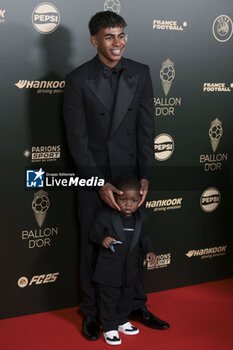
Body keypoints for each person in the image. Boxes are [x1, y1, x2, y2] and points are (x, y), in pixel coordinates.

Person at [63, 10, 170, 341]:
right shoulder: (78, 79)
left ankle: (135, 304)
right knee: (94, 247)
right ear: (94, 40)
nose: (117, 42)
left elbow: (146, 130)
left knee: (134, 246)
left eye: (121, 35)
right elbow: (77, 141)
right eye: (109, 36)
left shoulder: (141, 73)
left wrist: (145, 178)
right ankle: (93, 313)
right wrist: (97, 183)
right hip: (93, 178)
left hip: (130, 180)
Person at [89, 176, 157, 345]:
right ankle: (109, 327)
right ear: (115, 198)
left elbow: (144, 238)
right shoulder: (105, 215)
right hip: (109, 270)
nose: (128, 204)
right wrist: (102, 239)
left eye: (134, 201)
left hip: (131, 270)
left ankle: (121, 320)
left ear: (140, 200)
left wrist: (150, 251)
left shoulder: (141, 218)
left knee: (126, 298)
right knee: (109, 299)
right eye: (124, 199)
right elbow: (93, 234)